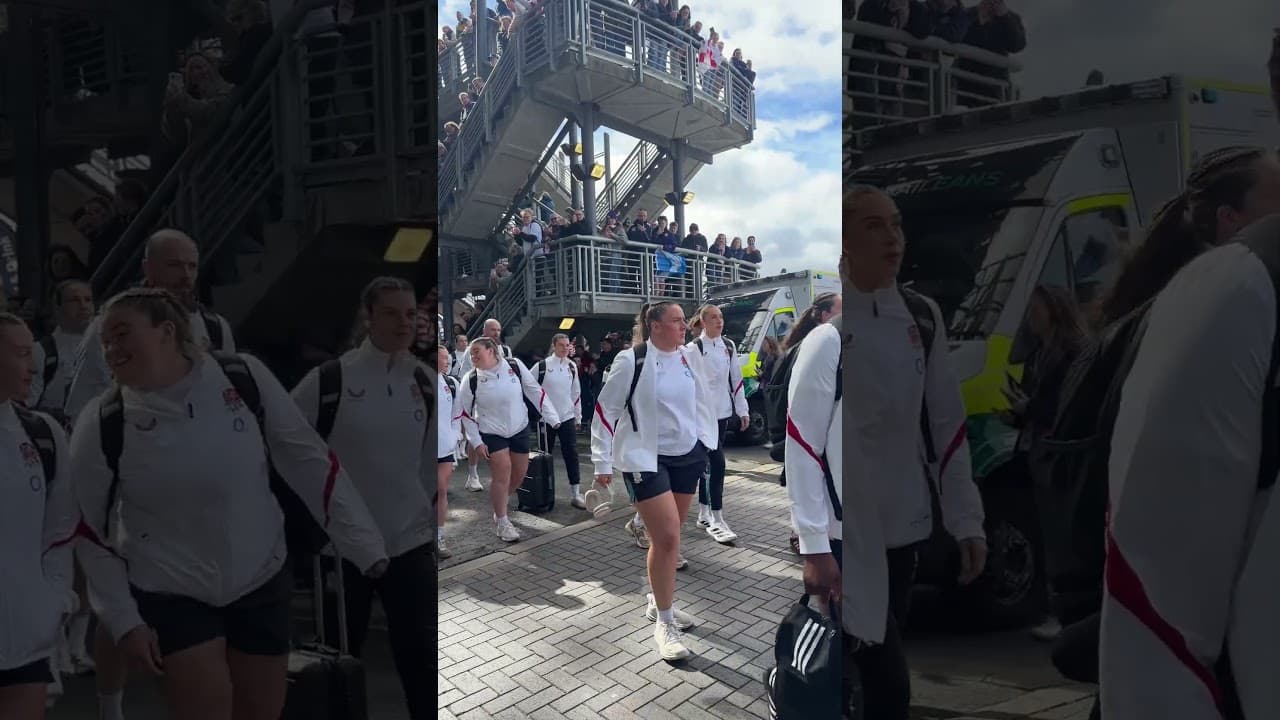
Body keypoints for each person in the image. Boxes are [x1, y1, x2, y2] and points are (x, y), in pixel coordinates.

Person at [71, 288, 388, 720]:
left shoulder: (242, 377)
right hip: (171, 589)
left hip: (260, 577)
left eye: (122, 333)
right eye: (105, 341)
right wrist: (125, 620)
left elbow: (308, 459)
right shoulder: (102, 421)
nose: (112, 348)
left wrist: (365, 546)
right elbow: (88, 532)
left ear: (166, 332)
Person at [843, 185, 988, 719]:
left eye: (897, 225)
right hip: (844, 534)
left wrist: (966, 521)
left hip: (902, 531)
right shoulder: (831, 322)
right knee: (885, 680)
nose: (893, 239)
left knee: (873, 663)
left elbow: (946, 426)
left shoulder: (921, 316)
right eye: (875, 226)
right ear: (845, 240)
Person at [290, 277, 433, 720]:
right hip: (342, 551)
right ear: (368, 317)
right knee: (342, 664)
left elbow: (430, 466)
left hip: (409, 544)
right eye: (390, 313)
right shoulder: (329, 381)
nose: (403, 322)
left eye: (410, 314)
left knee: (422, 662)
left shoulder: (425, 382)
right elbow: (287, 448)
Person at [591, 302, 718, 660]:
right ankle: (664, 623)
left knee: (670, 539)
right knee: (667, 538)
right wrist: (601, 461)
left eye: (684, 321)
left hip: (687, 454)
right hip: (645, 458)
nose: (685, 327)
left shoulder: (688, 357)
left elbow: (702, 400)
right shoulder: (632, 360)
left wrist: (706, 441)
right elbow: (605, 410)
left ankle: (658, 600)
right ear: (655, 325)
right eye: (678, 321)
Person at [64, 229, 234, 420]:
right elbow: (79, 405)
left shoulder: (215, 327)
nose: (186, 275)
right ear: (148, 268)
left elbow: (227, 395)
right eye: (174, 265)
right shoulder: (108, 326)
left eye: (192, 266)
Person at [0, 313, 76, 720]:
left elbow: (61, 528)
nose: (32, 365)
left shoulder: (43, 433)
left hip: (25, 641)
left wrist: (55, 600)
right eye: (21, 353)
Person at [456, 337, 565, 542]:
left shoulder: (514, 366)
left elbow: (534, 390)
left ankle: (501, 503)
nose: (473, 357)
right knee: (502, 472)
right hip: (491, 432)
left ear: (491, 351)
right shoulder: (470, 380)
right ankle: (502, 521)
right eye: (471, 354)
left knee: (519, 474)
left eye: (477, 351)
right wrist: (477, 442)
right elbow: (465, 414)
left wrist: (552, 417)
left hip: (519, 428)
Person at [686, 305, 749, 543]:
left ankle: (704, 513)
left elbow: (736, 380)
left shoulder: (728, 346)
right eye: (713, 317)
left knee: (709, 464)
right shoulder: (693, 349)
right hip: (700, 416)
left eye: (721, 317)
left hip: (722, 414)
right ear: (702, 322)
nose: (719, 321)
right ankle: (716, 517)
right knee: (716, 463)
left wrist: (742, 410)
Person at [457, 319, 514, 492]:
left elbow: (510, 372)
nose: (496, 333)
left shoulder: (505, 350)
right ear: (484, 331)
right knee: (475, 436)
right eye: (493, 330)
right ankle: (472, 475)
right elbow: (465, 375)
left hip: (501, 401)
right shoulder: (472, 349)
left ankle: (504, 474)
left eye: (498, 330)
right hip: (479, 399)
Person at [29, 280, 95, 418]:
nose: (83, 306)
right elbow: (26, 407)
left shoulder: (107, 348)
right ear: (57, 307)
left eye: (88, 300)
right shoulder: (41, 352)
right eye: (74, 300)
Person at [534, 334, 585, 508]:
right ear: (553, 346)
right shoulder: (542, 366)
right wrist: (537, 412)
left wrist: (578, 416)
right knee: (545, 457)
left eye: (567, 345)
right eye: (561, 345)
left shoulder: (571, 366)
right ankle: (544, 493)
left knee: (571, 454)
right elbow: (529, 388)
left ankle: (576, 493)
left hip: (567, 417)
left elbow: (576, 393)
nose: (564, 348)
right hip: (546, 419)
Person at [437, 345, 461, 559]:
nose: (447, 361)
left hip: (444, 448)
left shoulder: (451, 384)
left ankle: (438, 536)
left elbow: (457, 415)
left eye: (447, 358)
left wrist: (454, 437)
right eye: (442, 358)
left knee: (441, 491)